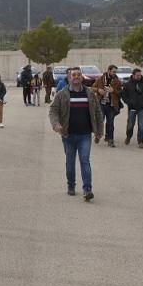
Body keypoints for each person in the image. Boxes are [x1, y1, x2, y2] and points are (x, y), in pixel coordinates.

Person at [49, 68, 103, 200]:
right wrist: (56, 124)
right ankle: (71, 185)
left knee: (85, 161)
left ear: (81, 77)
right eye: (74, 75)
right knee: (70, 162)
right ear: (69, 77)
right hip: (68, 135)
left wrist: (99, 131)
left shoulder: (89, 93)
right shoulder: (62, 94)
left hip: (85, 135)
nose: (76, 77)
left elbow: (97, 112)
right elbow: (53, 110)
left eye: (79, 74)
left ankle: (87, 189)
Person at [121, 68, 143, 148]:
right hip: (132, 108)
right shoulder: (128, 84)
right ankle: (128, 136)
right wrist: (128, 102)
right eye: (137, 75)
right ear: (133, 75)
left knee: (141, 125)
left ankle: (141, 141)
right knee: (130, 125)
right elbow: (124, 95)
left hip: (142, 108)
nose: (139, 76)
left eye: (140, 75)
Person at [92, 65, 122, 146]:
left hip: (111, 105)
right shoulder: (101, 79)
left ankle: (110, 139)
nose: (114, 73)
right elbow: (93, 87)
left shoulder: (117, 81)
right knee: (100, 121)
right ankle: (98, 135)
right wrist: (98, 90)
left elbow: (120, 93)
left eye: (115, 72)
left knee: (110, 123)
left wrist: (114, 91)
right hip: (101, 104)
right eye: (113, 71)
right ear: (109, 71)